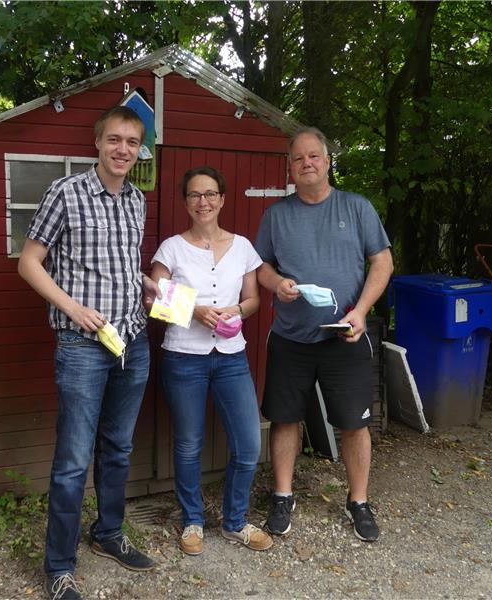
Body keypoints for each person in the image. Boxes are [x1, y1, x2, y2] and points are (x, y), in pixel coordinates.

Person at [18, 105, 161, 600]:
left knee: (118, 447)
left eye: (132, 142)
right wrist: (73, 308)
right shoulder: (66, 193)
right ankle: (59, 566)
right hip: (82, 345)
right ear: (98, 143)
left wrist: (145, 284)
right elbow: (29, 262)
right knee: (74, 459)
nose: (123, 149)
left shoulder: (136, 201)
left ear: (140, 151)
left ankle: (108, 533)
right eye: (114, 140)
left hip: (132, 341)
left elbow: (119, 264)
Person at [254, 127, 394, 542]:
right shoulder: (276, 215)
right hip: (290, 336)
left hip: (344, 336)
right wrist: (276, 283)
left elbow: (383, 262)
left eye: (314, 156)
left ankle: (359, 501)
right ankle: (283, 495)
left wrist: (360, 311)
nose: (307, 164)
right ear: (290, 167)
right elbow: (260, 266)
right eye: (298, 158)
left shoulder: (356, 207)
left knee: (354, 423)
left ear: (328, 161)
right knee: (284, 419)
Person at [150, 166, 273, 555]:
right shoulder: (172, 248)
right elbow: (153, 299)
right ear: (185, 202)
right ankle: (193, 521)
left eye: (209, 194)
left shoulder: (242, 247)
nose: (202, 201)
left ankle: (235, 521)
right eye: (194, 195)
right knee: (189, 444)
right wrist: (195, 310)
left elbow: (253, 299)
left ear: (222, 199)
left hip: (231, 357)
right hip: (183, 357)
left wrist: (236, 310)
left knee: (249, 444)